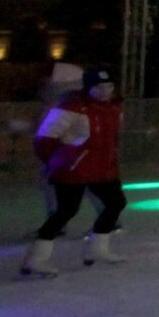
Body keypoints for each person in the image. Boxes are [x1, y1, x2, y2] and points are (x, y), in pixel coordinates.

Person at [23, 64, 128, 277]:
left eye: (109, 86)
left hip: (102, 169)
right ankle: (36, 259)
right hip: (73, 169)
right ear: (88, 88)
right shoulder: (71, 108)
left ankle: (98, 247)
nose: (105, 91)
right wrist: (56, 161)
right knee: (66, 211)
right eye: (99, 87)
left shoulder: (113, 108)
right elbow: (44, 138)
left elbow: (110, 141)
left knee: (116, 202)